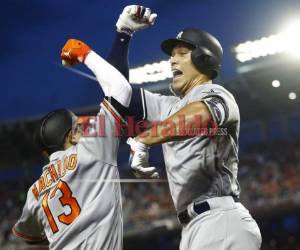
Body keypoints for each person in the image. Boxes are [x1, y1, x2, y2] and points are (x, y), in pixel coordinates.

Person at [112, 5, 262, 250]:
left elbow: (201, 115)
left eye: (181, 52)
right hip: (195, 227)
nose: (172, 59)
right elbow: (118, 92)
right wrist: (123, 33)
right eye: (172, 55)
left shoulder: (215, 92)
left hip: (220, 221)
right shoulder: (169, 106)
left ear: (204, 58)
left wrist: (144, 139)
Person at [12, 36, 157, 249]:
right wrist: (86, 52)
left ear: (45, 152)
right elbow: (120, 89)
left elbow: (28, 235)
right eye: (77, 127)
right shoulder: (91, 149)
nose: (84, 128)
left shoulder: (34, 193)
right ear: (71, 136)